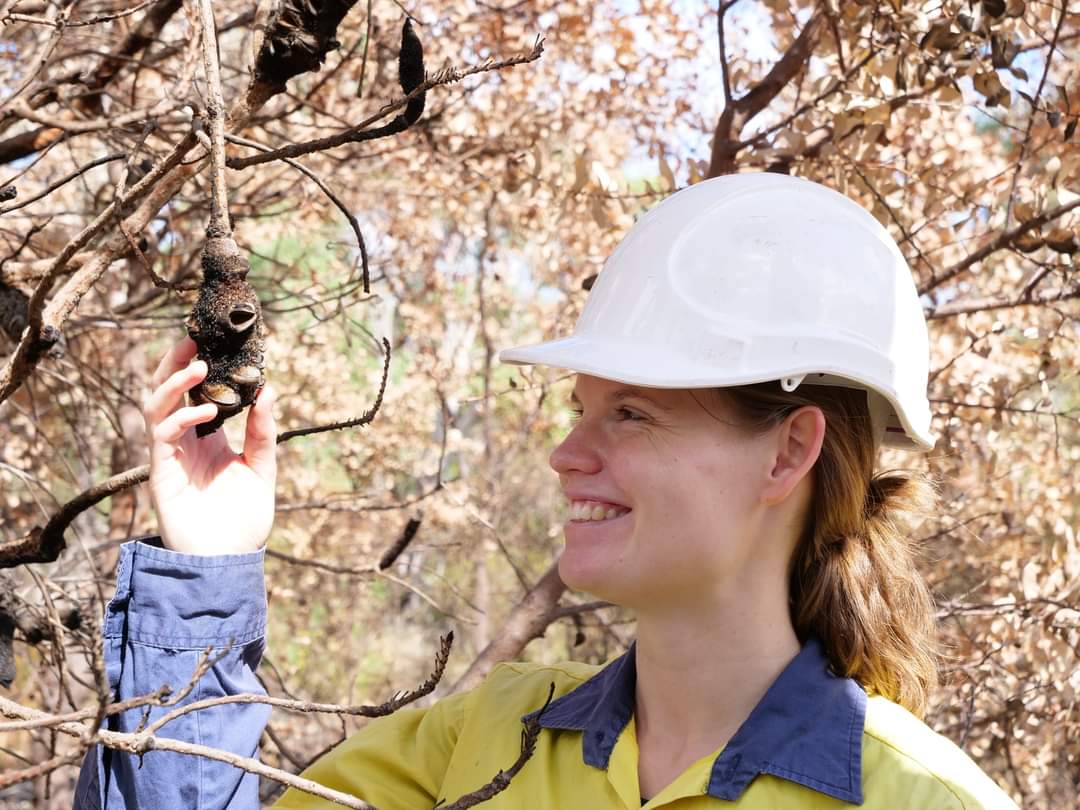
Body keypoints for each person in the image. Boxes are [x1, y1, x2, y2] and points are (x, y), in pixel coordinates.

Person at [74, 173, 1019, 809]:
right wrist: (208, 564)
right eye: (582, 409)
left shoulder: (923, 797)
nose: (569, 454)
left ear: (787, 454)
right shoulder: (489, 736)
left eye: (633, 415)